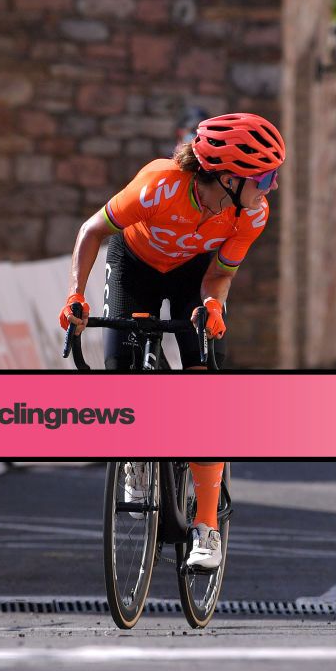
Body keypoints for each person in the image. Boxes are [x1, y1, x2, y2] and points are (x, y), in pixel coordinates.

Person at [59, 112, 286, 568]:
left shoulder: (252, 212)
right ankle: (136, 454)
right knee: (120, 367)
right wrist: (76, 295)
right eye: (264, 176)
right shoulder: (158, 184)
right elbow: (92, 231)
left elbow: (219, 276)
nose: (272, 185)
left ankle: (206, 527)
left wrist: (215, 306)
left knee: (202, 389)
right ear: (226, 177)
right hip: (134, 264)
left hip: (193, 278)